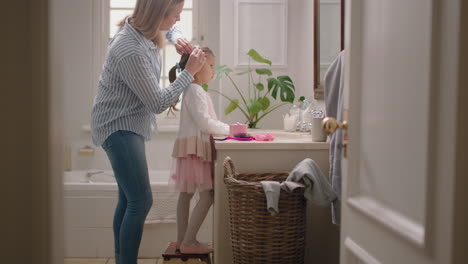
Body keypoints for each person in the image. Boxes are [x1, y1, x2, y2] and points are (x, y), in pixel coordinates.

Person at [90, 0, 206, 263]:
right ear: (157, 14)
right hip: (117, 125)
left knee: (128, 199)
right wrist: (189, 72)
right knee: (141, 201)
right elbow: (157, 103)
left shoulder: (143, 29)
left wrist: (179, 39)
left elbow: (170, 29)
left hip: (127, 123)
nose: (177, 20)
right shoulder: (129, 48)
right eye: (175, 15)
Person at [168, 47, 229, 254]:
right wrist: (231, 130)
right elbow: (205, 123)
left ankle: (181, 240)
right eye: (211, 66)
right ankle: (189, 241)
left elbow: (204, 122)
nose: (214, 71)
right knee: (209, 195)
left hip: (190, 148)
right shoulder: (195, 91)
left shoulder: (192, 90)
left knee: (186, 195)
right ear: (199, 67)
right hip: (195, 150)